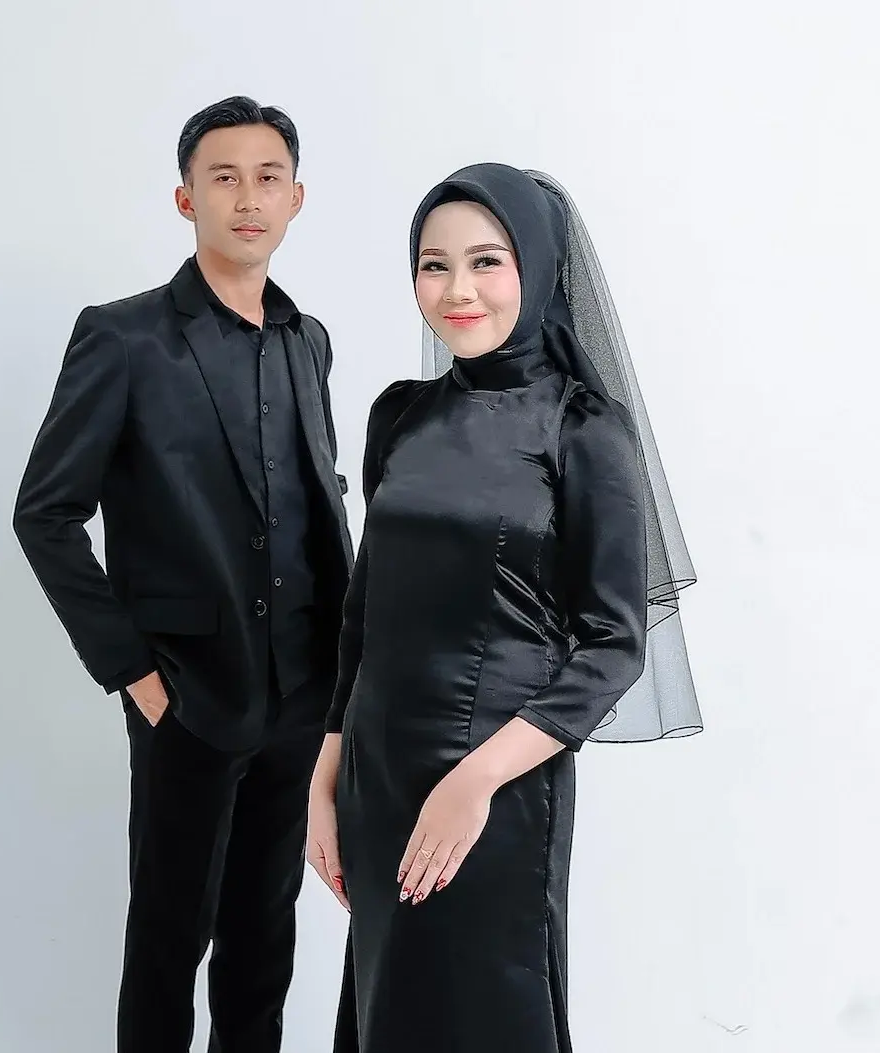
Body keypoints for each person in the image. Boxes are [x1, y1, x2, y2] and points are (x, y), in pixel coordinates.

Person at [307, 163, 698, 1052]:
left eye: (486, 261)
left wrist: (474, 779)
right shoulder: (398, 416)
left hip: (497, 784)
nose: (456, 290)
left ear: (537, 266)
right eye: (433, 264)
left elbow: (612, 643)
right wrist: (323, 781)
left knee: (489, 1011)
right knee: (387, 1012)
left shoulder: (582, 427)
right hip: (376, 776)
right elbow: (364, 613)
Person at [13, 95, 353, 1053]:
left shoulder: (308, 340)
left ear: (295, 199)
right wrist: (134, 671)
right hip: (186, 696)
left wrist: (342, 671)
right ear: (184, 198)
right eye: (223, 177)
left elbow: (315, 500)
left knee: (264, 939)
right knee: (169, 938)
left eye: (268, 178)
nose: (248, 198)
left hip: (300, 694)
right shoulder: (123, 337)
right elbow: (45, 513)